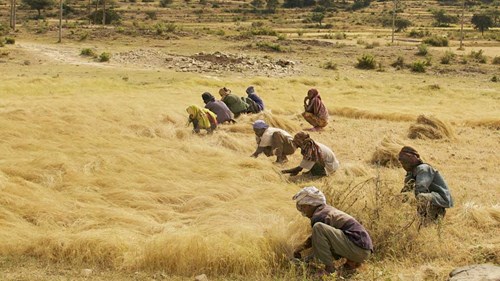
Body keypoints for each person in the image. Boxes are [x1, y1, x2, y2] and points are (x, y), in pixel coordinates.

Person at [292, 186, 373, 276]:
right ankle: (351, 265)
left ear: (310, 205)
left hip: (358, 248)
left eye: (303, 207)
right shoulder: (326, 210)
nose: (302, 211)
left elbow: (314, 239)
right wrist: (306, 260)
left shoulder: (319, 215)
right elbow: (323, 244)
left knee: (318, 227)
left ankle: (329, 270)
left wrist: (299, 249)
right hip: (363, 250)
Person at [398, 146, 453, 225]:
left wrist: (409, 199)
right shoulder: (411, 172)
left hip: (439, 198)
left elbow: (420, 188)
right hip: (429, 197)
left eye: (406, 161)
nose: (404, 165)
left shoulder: (423, 169)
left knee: (421, 197)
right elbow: (406, 190)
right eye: (402, 162)